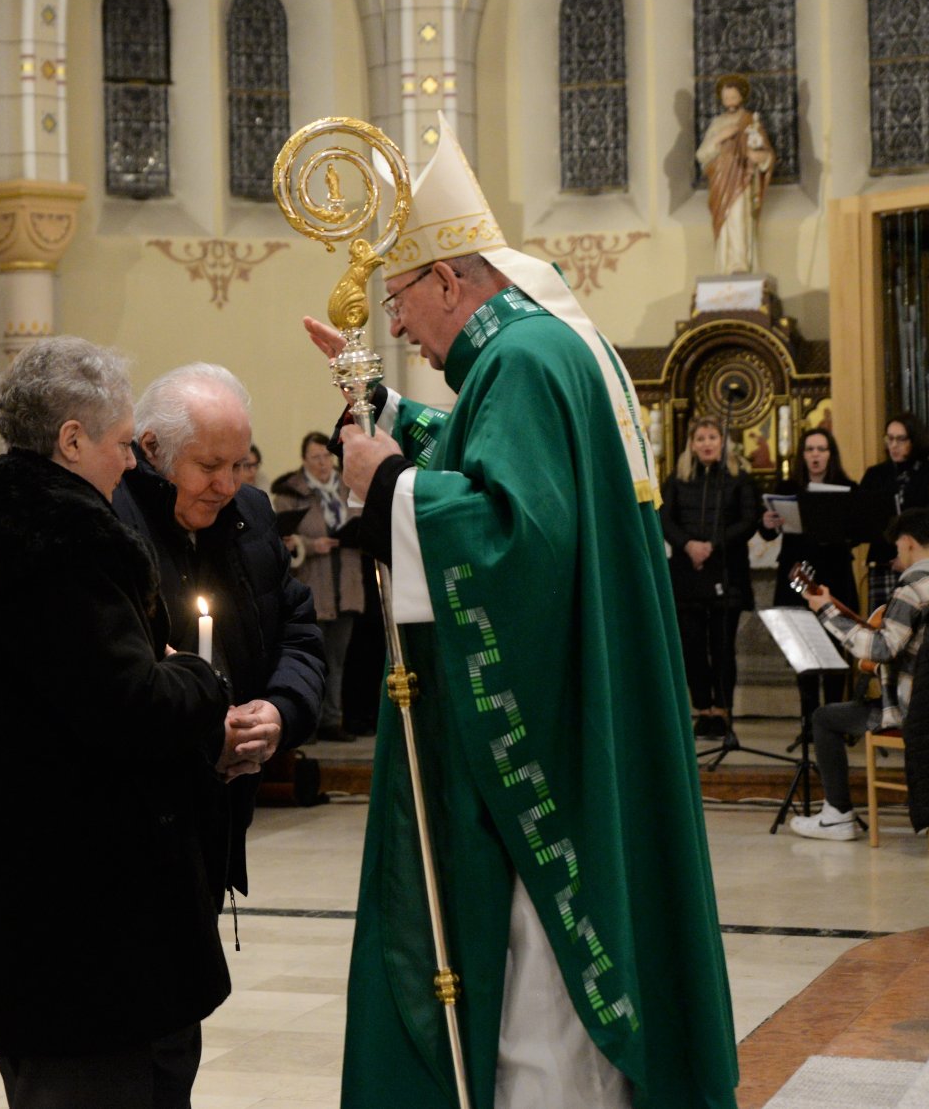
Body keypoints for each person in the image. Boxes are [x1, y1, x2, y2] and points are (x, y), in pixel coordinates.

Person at [314, 119, 735, 1109]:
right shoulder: (542, 352)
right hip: (588, 707)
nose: (402, 323)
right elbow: (489, 459)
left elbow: (517, 538)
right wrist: (381, 412)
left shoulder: (525, 361)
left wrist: (387, 497)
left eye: (403, 299)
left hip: (545, 747)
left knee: (537, 1013)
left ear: (451, 283)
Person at [0, 336, 231, 1109]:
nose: (132, 463)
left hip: (30, 909)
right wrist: (198, 676)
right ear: (71, 440)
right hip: (87, 929)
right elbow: (133, 708)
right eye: (123, 443)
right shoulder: (60, 555)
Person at [115, 363, 326, 906]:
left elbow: (297, 632)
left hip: (223, 807)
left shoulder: (251, 514)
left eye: (238, 465)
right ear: (152, 449)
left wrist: (278, 712)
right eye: (209, 466)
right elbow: (116, 670)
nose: (227, 486)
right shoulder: (112, 521)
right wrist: (210, 734)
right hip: (137, 814)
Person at [792, 508, 929, 841]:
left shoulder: (913, 585)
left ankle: (837, 815)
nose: (897, 555)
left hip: (916, 710)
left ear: (908, 543)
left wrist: (825, 611)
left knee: (825, 718)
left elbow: (882, 649)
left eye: (897, 548)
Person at [661, 417, 762, 739]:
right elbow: (663, 517)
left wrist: (711, 545)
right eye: (700, 438)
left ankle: (723, 710)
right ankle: (702, 709)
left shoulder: (739, 479)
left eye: (712, 437)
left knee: (721, 647)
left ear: (723, 442)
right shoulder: (677, 480)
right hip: (687, 574)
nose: (706, 443)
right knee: (691, 645)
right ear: (691, 444)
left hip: (725, 571)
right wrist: (688, 545)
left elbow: (748, 520)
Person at [272, 431, 362, 741]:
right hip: (311, 583)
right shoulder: (290, 492)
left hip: (345, 582)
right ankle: (306, 721)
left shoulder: (349, 485)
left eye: (326, 456)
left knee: (338, 658)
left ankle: (332, 720)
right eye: (316, 458)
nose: (323, 463)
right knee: (310, 657)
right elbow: (278, 539)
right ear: (304, 460)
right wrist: (311, 545)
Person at [760, 428, 859, 612]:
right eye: (810, 449)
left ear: (830, 454)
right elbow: (768, 533)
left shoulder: (847, 487)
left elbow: (858, 532)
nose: (815, 454)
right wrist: (767, 523)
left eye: (821, 449)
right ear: (802, 455)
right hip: (796, 568)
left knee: (837, 632)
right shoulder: (787, 487)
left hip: (835, 569)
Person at [857, 413, 929, 610]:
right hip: (885, 561)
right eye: (889, 439)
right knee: (882, 622)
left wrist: (911, 556)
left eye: (901, 439)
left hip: (925, 563)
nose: (894, 445)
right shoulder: (876, 475)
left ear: (914, 440)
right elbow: (862, 520)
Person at [696, 72, 775, 275]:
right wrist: (720, 137)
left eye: (733, 96)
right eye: (726, 97)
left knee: (739, 217)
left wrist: (760, 157)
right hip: (721, 178)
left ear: (741, 97)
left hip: (741, 176)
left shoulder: (750, 121)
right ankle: (724, 266)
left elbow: (766, 154)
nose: (729, 100)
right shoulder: (717, 123)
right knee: (724, 221)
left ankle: (739, 264)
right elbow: (702, 154)